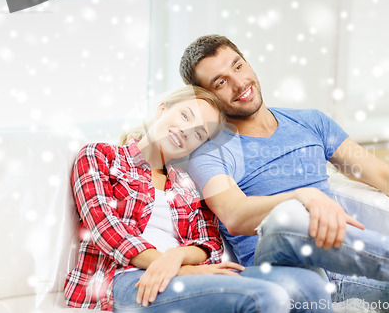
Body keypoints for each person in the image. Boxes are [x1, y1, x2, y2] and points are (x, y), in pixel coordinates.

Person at [180, 35, 389, 311]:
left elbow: (382, 176)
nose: (239, 83)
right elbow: (234, 215)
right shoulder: (209, 151)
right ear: (204, 96)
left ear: (248, 63)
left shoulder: (310, 122)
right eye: (220, 82)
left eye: (238, 66)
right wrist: (304, 196)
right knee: (289, 217)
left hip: (345, 266)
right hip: (280, 267)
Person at [64, 85, 333, 313]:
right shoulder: (101, 156)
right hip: (125, 277)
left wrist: (178, 257)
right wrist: (175, 267)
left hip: (183, 271)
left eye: (199, 133)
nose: (185, 131)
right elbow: (107, 230)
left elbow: (210, 243)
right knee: (265, 296)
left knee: (310, 283)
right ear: (162, 109)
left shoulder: (186, 183)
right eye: (184, 115)